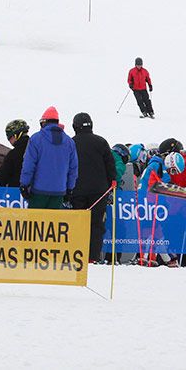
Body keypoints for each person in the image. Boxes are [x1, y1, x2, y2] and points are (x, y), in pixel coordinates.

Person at [70, 113, 117, 263]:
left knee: (78, 224)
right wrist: (112, 182)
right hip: (99, 191)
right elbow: (110, 166)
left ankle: (78, 255)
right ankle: (93, 257)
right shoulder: (101, 142)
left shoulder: (71, 143)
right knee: (96, 225)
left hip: (77, 190)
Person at [19, 107, 78, 209]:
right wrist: (69, 188)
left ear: (44, 122)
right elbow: (73, 168)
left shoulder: (36, 139)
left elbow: (28, 165)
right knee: (53, 223)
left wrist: (24, 184)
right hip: (59, 191)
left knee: (35, 223)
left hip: (38, 191)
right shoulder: (69, 142)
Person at [0, 119, 30, 187]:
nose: (9, 141)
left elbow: (2, 178)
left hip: (16, 193)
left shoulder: (13, 154)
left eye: (9, 137)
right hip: (39, 192)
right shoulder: (38, 149)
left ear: (16, 136)